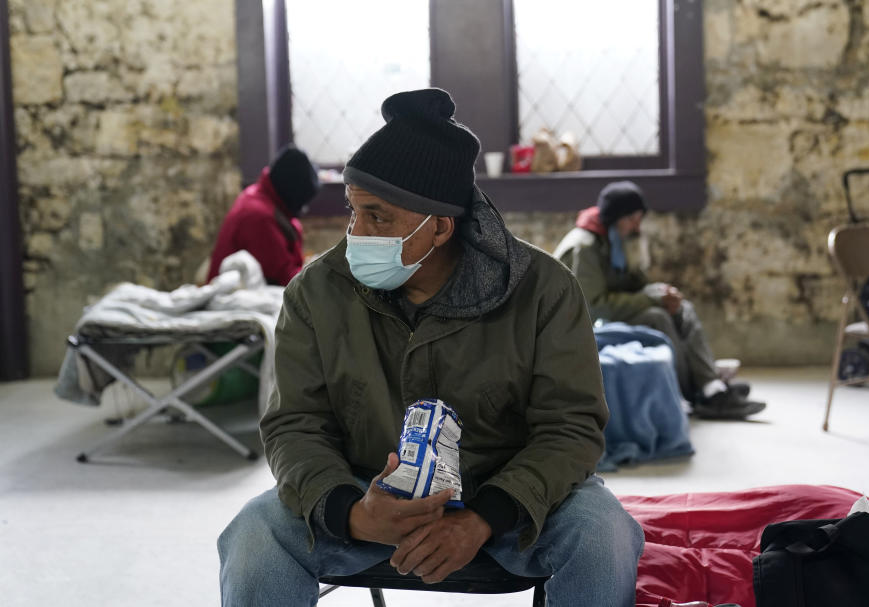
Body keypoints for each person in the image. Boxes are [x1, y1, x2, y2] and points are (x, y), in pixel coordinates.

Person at [217, 89, 645, 606]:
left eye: (378, 217)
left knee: (605, 534)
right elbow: (294, 424)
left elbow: (571, 427)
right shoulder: (317, 292)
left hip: (508, 503)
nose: (357, 235)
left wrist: (486, 517)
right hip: (364, 496)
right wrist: (352, 513)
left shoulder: (544, 290)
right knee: (253, 533)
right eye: (353, 212)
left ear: (440, 225)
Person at [554, 181, 766, 419]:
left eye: (639, 218)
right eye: (631, 218)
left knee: (682, 310)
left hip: (612, 312)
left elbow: (637, 284)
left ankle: (710, 387)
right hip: (584, 326)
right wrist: (651, 299)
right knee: (657, 317)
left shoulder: (619, 239)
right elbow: (593, 307)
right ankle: (690, 393)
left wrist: (663, 294)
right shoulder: (586, 246)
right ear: (614, 218)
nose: (637, 225)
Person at [207, 145, 319, 286]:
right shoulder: (259, 218)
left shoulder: (258, 194)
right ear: (293, 192)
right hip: (230, 298)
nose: (303, 209)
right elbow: (287, 280)